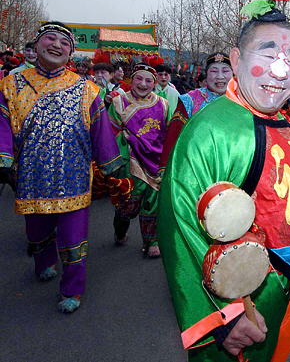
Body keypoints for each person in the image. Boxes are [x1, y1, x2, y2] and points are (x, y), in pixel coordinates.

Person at [158, 4, 290, 361]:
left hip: (286, 284)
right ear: (236, 59)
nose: (281, 69)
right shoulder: (212, 130)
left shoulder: (288, 122)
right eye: (267, 53)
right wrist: (225, 316)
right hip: (240, 299)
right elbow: (179, 224)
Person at [0, 21, 123, 313]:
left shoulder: (87, 90)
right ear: (36, 45)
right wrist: (3, 159)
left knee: (73, 238)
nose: (56, 45)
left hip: (74, 177)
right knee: (37, 232)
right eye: (50, 39)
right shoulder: (11, 85)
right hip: (32, 176)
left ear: (71, 52)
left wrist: (111, 164)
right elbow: (2, 123)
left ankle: (72, 289)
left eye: (64, 42)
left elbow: (100, 129)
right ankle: (44, 263)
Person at [108, 64, 169, 258]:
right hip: (130, 161)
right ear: (131, 80)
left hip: (155, 162)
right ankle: (120, 230)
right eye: (139, 79)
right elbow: (110, 134)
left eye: (148, 80)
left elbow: (168, 133)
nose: (143, 84)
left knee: (152, 203)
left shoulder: (163, 104)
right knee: (128, 205)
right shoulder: (119, 102)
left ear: (154, 83)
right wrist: (125, 143)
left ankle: (152, 241)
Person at [159, 52, 233, 173]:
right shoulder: (190, 101)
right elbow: (173, 138)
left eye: (225, 71)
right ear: (206, 75)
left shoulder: (243, 101)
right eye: (214, 71)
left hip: (233, 166)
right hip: (195, 167)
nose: (220, 76)